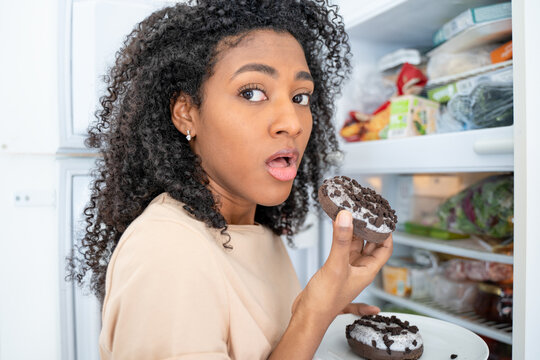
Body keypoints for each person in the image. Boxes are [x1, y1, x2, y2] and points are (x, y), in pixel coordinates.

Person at [67, 0, 393, 359]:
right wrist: (311, 314)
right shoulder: (168, 252)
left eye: (300, 96)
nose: (293, 122)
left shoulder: (257, 232)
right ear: (186, 113)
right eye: (251, 92)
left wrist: (320, 317)